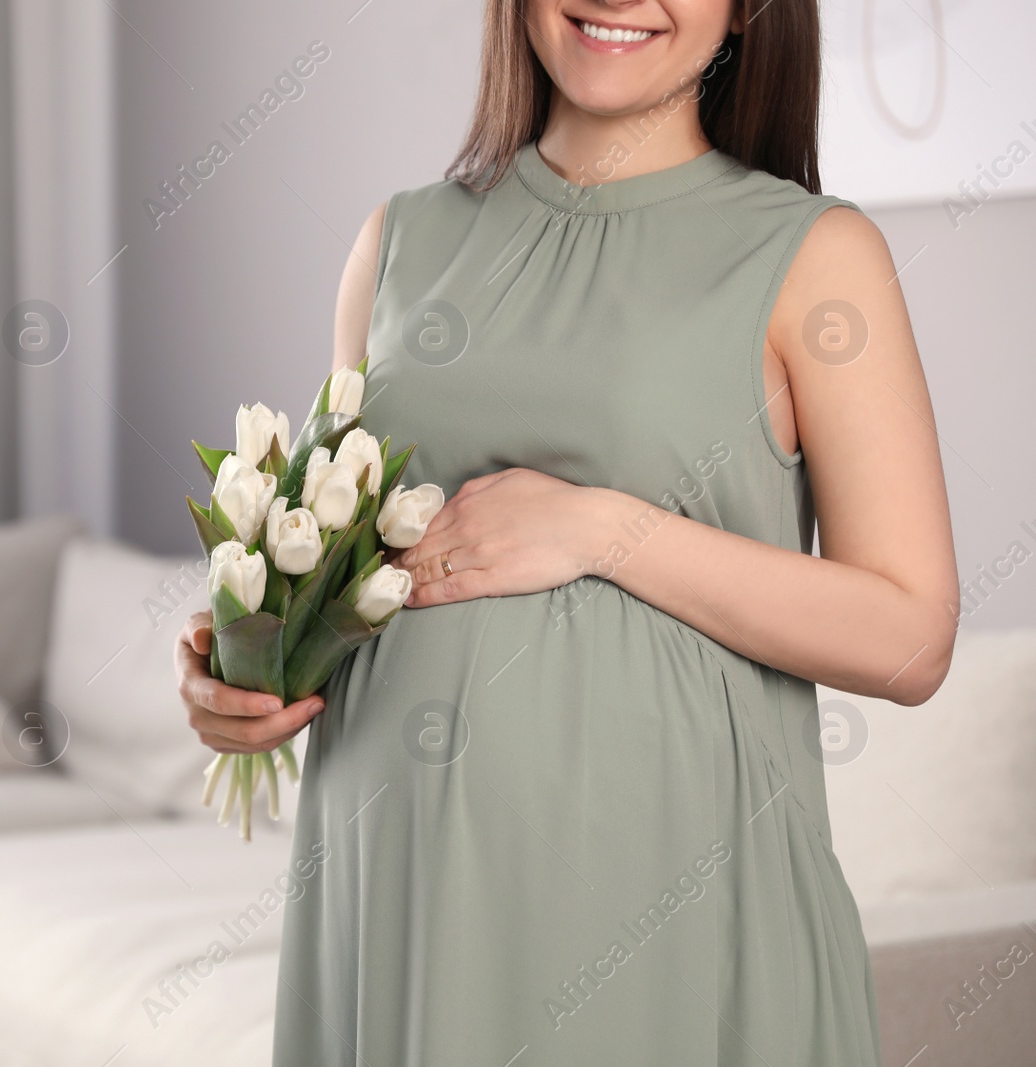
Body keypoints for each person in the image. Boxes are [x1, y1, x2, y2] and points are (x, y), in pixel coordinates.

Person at [175, 0, 958, 1062]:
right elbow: (352, 562)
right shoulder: (400, 241)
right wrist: (246, 665)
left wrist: (606, 531)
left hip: (665, 900)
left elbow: (910, 634)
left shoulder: (814, 254)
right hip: (398, 892)